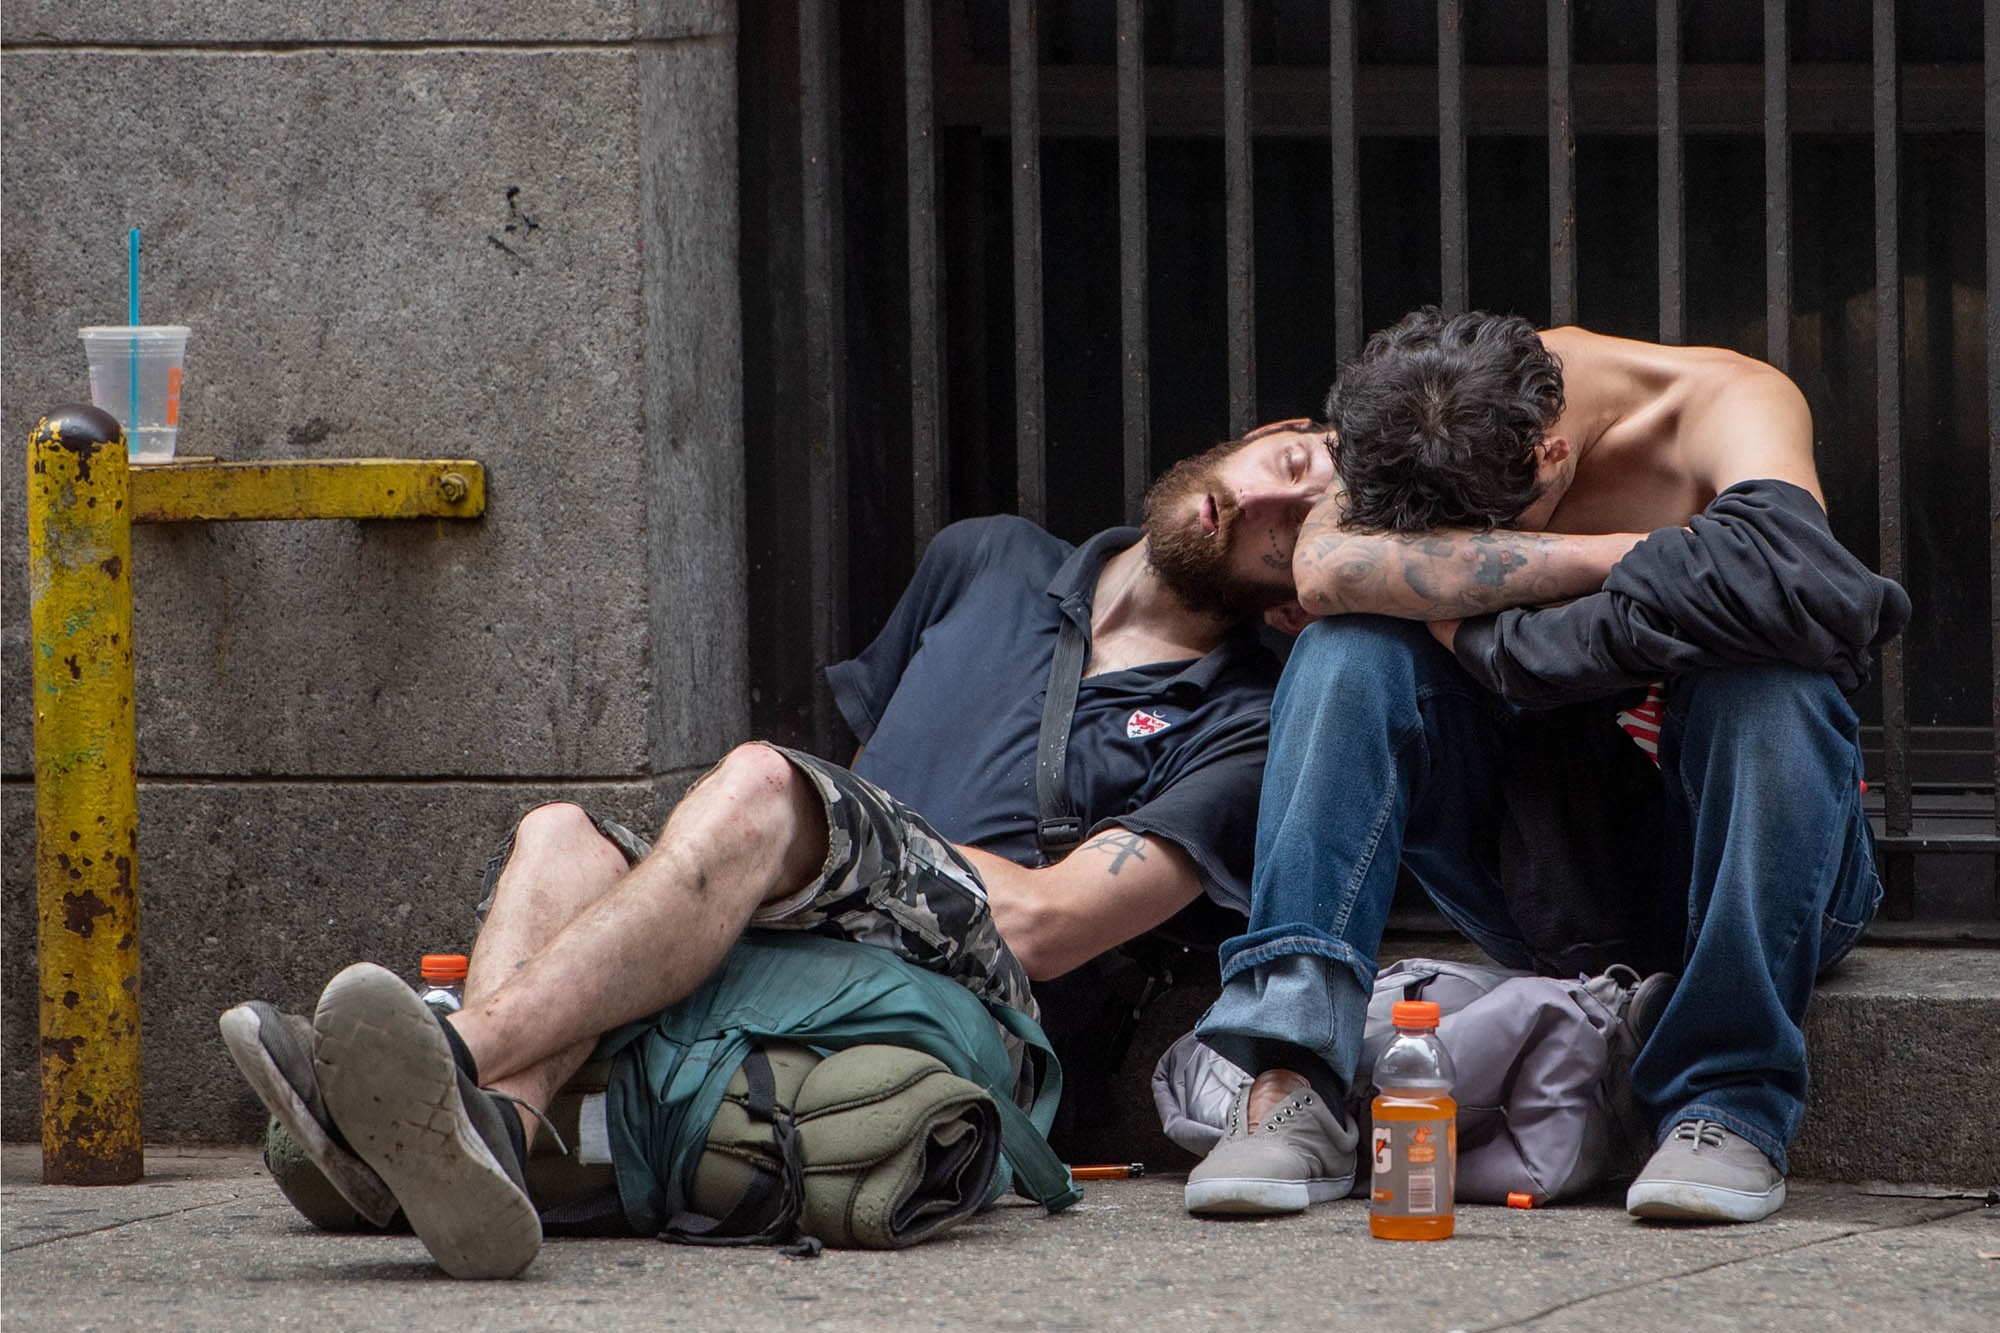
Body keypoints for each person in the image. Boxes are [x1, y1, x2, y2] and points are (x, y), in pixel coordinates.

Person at [221, 418, 1338, 1277]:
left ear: (1295, 594)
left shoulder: (1244, 719)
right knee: (561, 835)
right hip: (833, 912)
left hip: (979, 998)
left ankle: (452, 1055)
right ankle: (500, 1135)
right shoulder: (984, 557)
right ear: (1247, 435)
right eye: (1285, 458)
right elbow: (859, 784)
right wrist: (797, 843)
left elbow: (1047, 925)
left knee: (765, 782)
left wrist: (804, 827)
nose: (1258, 502)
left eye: (1295, 527)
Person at [1186, 310, 1907, 1224]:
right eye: (1438, 544)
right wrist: (1637, 562)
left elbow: (1800, 590)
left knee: (1768, 681)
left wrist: (1493, 636)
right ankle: (1290, 1078)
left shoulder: (1729, 402)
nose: (1465, 552)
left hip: (1768, 868)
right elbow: (1326, 572)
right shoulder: (1421, 419)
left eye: (1481, 531)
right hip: (1547, 875)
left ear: (1552, 452)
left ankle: (1728, 1104)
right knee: (1347, 648)